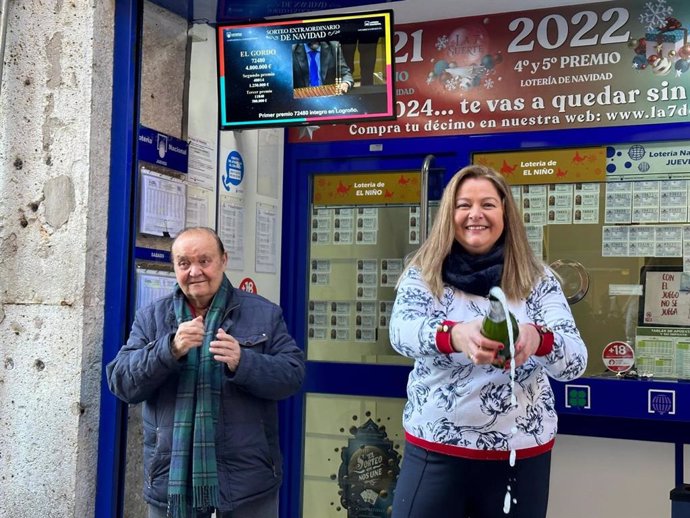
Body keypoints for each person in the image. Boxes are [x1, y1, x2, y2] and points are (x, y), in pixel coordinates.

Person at [389, 165, 587, 518]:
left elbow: (574, 361)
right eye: (463, 205)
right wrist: (455, 335)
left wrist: (536, 339)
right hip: (436, 451)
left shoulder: (538, 280)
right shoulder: (423, 274)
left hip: (519, 457)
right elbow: (402, 332)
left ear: (505, 214)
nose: (475, 214)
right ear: (449, 214)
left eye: (488, 205)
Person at [106, 227, 305, 518]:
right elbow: (121, 382)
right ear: (174, 267)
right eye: (184, 263)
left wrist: (243, 362)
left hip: (247, 487)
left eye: (204, 261)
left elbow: (293, 375)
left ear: (224, 260)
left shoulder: (263, 314)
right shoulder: (152, 318)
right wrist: (169, 350)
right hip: (171, 486)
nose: (194, 271)